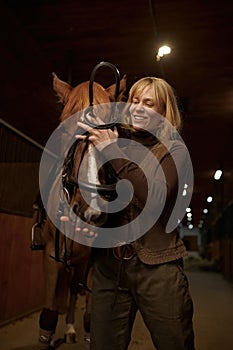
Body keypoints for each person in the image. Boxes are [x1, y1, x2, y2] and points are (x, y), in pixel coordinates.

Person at [77, 76, 195, 350]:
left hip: (158, 266)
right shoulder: (113, 140)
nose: (138, 107)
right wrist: (87, 218)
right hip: (109, 266)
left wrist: (113, 151)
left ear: (164, 112)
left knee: (175, 343)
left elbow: (154, 196)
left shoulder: (173, 149)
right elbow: (100, 198)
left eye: (149, 103)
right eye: (134, 100)